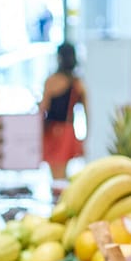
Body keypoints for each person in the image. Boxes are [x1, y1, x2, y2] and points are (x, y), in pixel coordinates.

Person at [41, 43, 87, 180]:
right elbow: (87, 112)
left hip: (51, 130)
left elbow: (43, 108)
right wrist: (85, 139)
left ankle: (58, 193)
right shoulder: (78, 84)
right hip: (67, 131)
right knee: (62, 173)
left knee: (55, 173)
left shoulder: (51, 81)